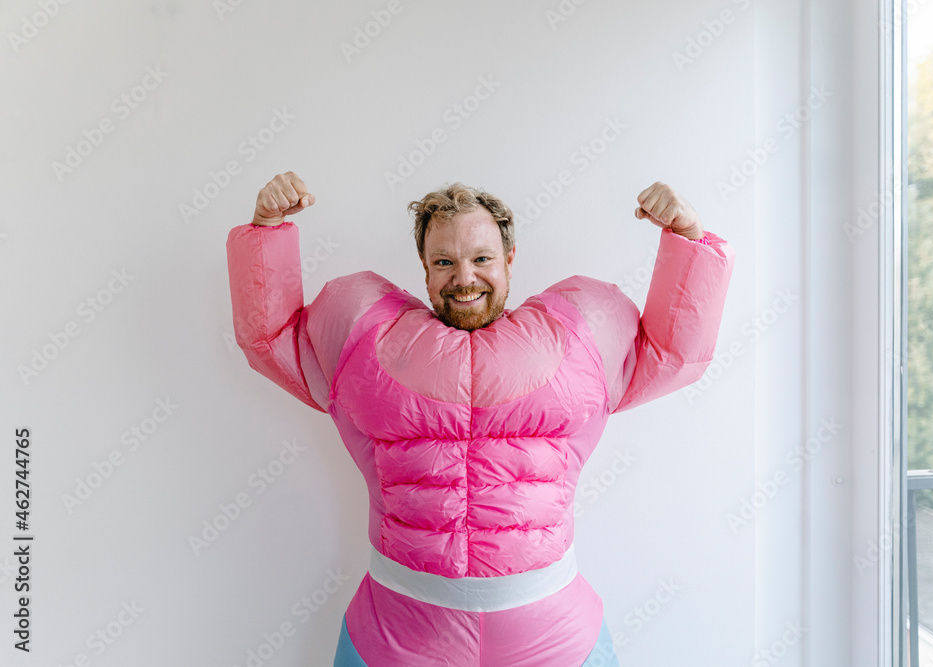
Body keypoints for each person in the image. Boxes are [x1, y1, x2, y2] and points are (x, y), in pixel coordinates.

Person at [226, 172, 735, 666]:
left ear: (509, 260)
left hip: (552, 636)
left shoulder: (580, 340)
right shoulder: (367, 341)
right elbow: (272, 340)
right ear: (424, 269)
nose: (464, 277)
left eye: (482, 258)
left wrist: (688, 237)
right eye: (444, 260)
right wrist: (266, 228)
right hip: (400, 634)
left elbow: (674, 352)